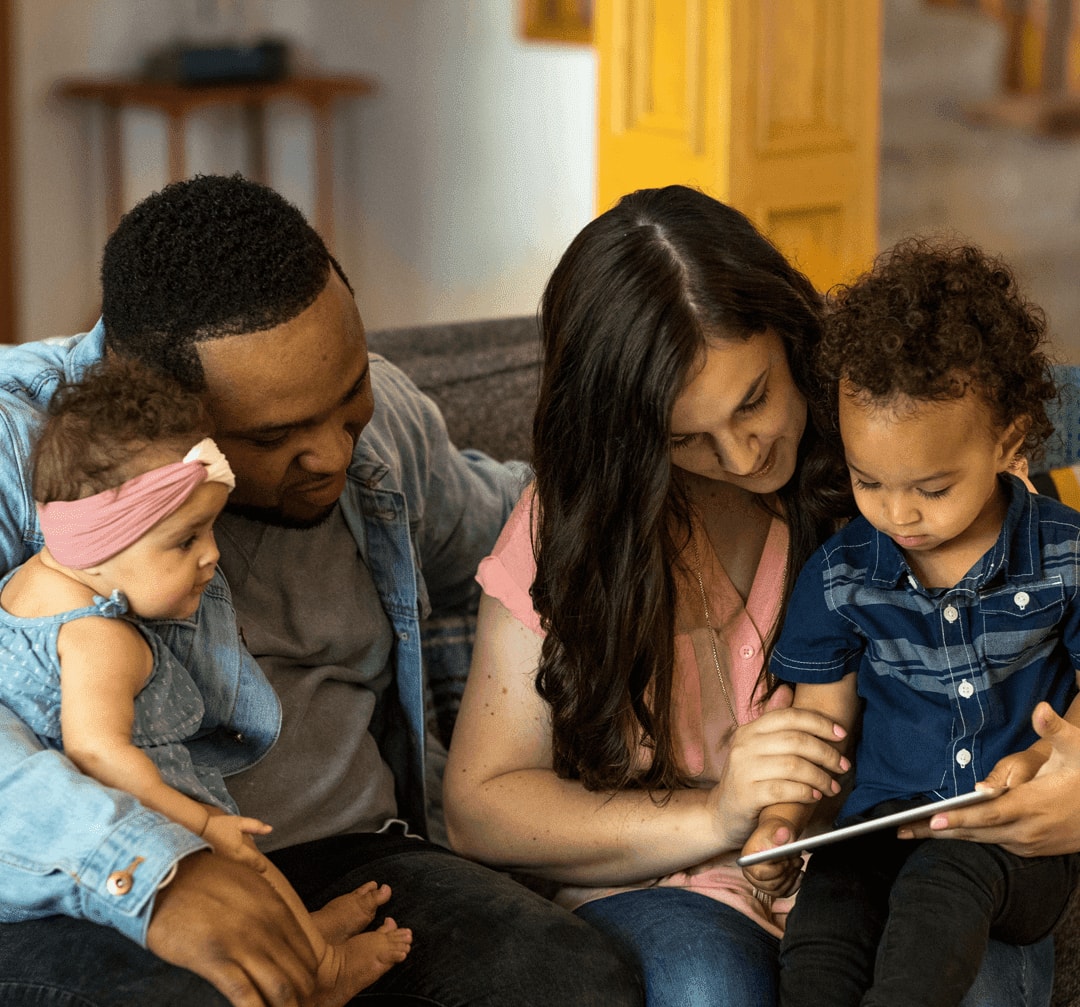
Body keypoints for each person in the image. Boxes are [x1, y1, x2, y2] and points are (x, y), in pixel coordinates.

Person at [0, 173, 642, 1007]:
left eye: (348, 401)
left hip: (359, 856)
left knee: (569, 979)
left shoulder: (389, 432)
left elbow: (525, 533)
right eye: (273, 437)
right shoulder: (28, 452)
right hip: (99, 884)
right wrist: (155, 873)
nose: (333, 457)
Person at [443, 185, 1058, 1007]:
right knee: (709, 984)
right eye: (683, 438)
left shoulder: (905, 465)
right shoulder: (575, 531)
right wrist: (718, 817)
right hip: (680, 890)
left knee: (960, 974)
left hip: (903, 866)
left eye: (755, 400)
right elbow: (480, 808)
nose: (738, 457)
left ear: (790, 335)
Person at [4, 358, 412, 1003]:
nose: (212, 555)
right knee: (242, 865)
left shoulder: (29, 587)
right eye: (184, 539)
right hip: (132, 817)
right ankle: (323, 971)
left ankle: (305, 931)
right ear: (101, 541)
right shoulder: (98, 638)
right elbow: (97, 751)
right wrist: (196, 821)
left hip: (69, 844)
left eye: (211, 529)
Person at [739, 239, 1080, 1006]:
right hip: (882, 824)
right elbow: (824, 732)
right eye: (869, 482)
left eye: (931, 487)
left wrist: (1055, 759)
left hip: (1014, 840)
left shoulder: (1065, 557)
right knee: (830, 910)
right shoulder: (841, 574)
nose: (899, 513)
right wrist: (784, 822)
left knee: (944, 876)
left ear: (1009, 440)